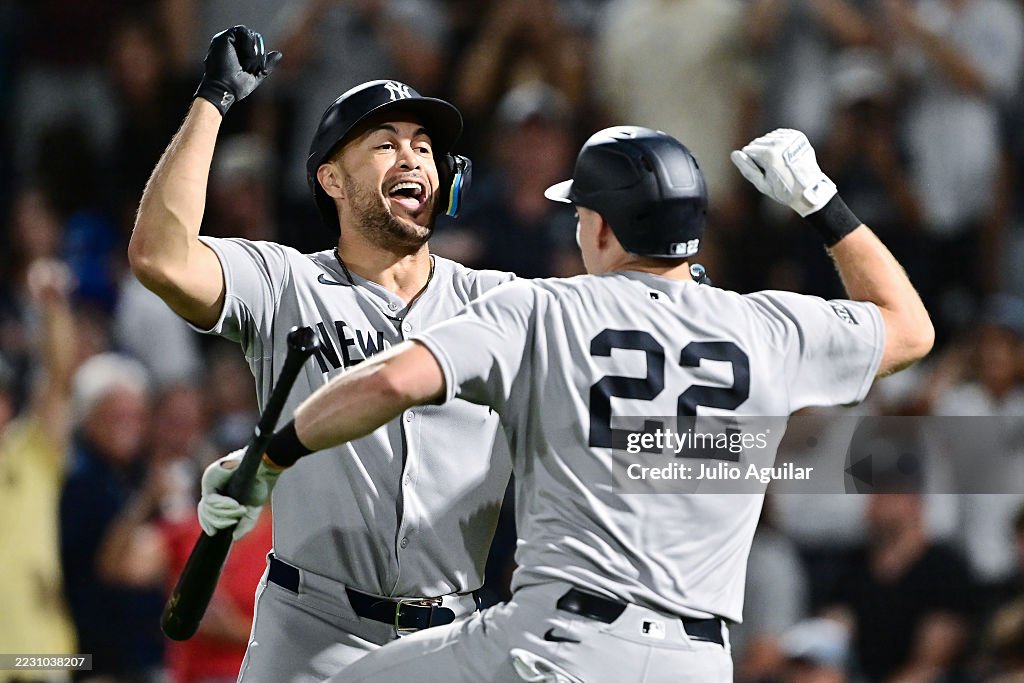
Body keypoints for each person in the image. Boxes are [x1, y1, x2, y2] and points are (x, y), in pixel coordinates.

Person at [219, 125, 934, 682]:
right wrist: (820, 201)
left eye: (581, 212)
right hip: (700, 660)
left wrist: (272, 455)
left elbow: (388, 382)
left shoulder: (544, 307)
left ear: (600, 226)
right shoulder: (765, 326)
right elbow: (910, 328)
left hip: (560, 643)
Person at [128, 26, 514, 680]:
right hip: (311, 634)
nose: (413, 157)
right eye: (385, 144)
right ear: (330, 177)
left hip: (453, 638)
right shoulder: (287, 283)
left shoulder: (499, 300)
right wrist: (215, 97)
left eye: (424, 147)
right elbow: (161, 256)